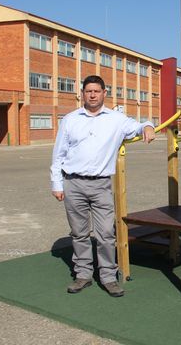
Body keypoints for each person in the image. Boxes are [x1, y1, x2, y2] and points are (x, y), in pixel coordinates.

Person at [50, 75, 155, 297]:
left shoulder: (116, 119)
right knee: (79, 233)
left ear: (104, 93)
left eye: (97, 91)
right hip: (73, 183)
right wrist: (57, 184)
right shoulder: (70, 119)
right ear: (83, 93)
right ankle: (83, 275)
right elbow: (58, 154)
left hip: (101, 186)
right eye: (88, 91)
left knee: (106, 233)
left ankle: (108, 277)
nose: (92, 95)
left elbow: (140, 125)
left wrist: (148, 127)